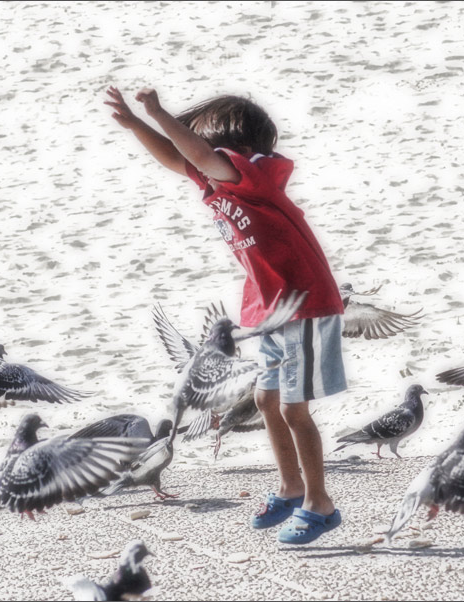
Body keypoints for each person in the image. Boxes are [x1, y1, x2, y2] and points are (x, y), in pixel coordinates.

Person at [105, 86, 347, 544]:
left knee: (295, 409)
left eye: (203, 148)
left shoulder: (253, 176)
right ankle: (291, 487)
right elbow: (178, 159)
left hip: (304, 305)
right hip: (268, 309)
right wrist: (137, 125)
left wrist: (158, 112)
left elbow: (192, 151)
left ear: (235, 149)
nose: (194, 159)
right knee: (265, 402)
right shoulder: (215, 179)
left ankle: (320, 503)